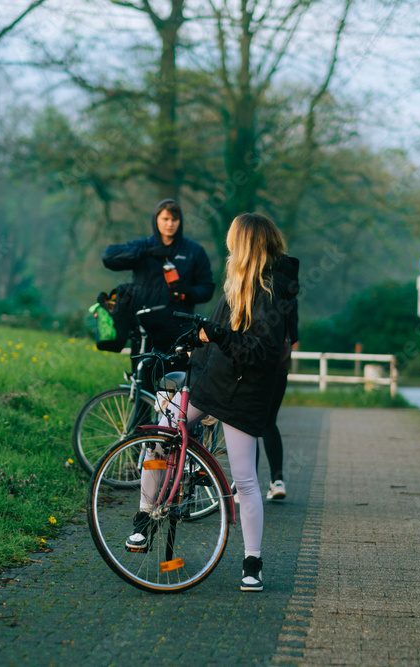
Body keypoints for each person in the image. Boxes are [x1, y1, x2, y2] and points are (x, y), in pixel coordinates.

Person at [127, 212, 297, 593]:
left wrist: (217, 335)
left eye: (233, 238)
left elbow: (262, 352)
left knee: (245, 480)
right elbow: (216, 339)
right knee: (162, 433)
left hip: (244, 395)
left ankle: (251, 563)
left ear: (246, 242)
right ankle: (143, 519)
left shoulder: (272, 292)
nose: (228, 244)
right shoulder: (235, 283)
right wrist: (191, 347)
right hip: (211, 383)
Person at [102, 199, 215, 385]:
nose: (170, 224)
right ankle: (141, 416)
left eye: (174, 219)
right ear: (156, 220)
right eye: (165, 219)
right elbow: (108, 257)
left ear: (180, 222)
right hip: (145, 331)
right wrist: (145, 254)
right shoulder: (143, 246)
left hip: (178, 331)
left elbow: (207, 288)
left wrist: (186, 291)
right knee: (142, 387)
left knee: (172, 388)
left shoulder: (194, 251)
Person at [261, 259, 300, 501]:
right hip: (279, 368)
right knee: (268, 423)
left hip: (255, 365)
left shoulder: (259, 291)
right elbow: (294, 335)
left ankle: (243, 485)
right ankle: (277, 480)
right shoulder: (290, 298)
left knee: (246, 425)